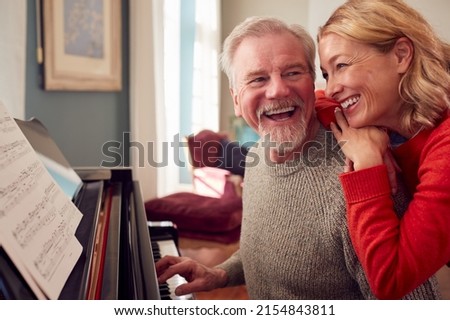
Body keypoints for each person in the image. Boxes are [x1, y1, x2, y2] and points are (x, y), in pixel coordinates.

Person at [156, 16, 440, 299]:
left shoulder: (367, 177)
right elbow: (267, 250)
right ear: (236, 100)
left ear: (311, 84)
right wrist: (219, 274)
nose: (278, 89)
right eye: (258, 78)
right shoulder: (255, 158)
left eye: (293, 73)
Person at [317, 0, 450, 300]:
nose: (331, 88)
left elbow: (390, 279)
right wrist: (371, 137)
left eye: (341, 66)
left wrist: (367, 166)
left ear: (401, 55)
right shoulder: (391, 122)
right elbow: (317, 102)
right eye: (326, 73)